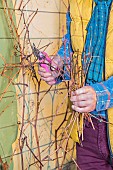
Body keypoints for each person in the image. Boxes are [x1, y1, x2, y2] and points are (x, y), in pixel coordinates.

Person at [38, 0, 113, 169]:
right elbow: (72, 47)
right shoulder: (77, 3)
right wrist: (59, 65)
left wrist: (101, 94)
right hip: (87, 126)